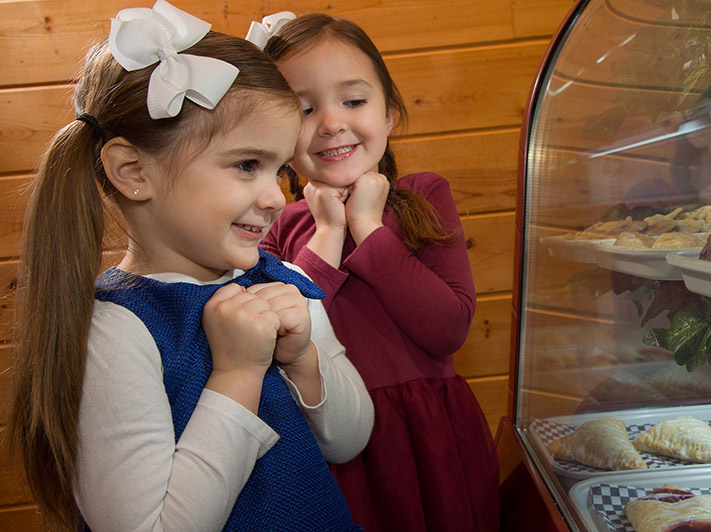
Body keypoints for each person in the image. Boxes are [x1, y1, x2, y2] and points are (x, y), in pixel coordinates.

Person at [8, 2, 372, 531]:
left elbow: (350, 440)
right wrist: (239, 374)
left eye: (279, 168)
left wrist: (303, 361)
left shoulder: (286, 282)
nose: (276, 196)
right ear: (133, 170)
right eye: (247, 165)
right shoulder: (117, 332)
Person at [253, 12, 500, 532]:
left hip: (427, 439)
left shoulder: (424, 196)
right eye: (303, 109)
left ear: (388, 113)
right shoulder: (278, 225)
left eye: (354, 100)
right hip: (329, 442)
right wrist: (326, 230)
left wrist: (367, 225)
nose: (331, 122)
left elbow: (447, 328)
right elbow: (288, 330)